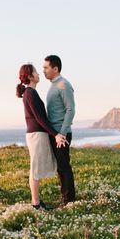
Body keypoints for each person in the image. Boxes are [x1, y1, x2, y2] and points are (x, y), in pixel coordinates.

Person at [16, 63, 68, 210]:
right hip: (36, 135)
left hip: (38, 134)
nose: (39, 74)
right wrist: (56, 134)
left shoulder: (31, 92)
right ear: (31, 76)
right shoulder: (30, 93)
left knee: (36, 168)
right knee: (35, 169)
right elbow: (40, 118)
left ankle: (36, 202)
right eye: (36, 72)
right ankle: (36, 203)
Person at [43, 55, 76, 205]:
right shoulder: (53, 85)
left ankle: (69, 200)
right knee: (60, 167)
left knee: (64, 166)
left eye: (46, 67)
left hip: (61, 134)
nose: (43, 71)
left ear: (55, 69)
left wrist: (62, 133)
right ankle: (65, 196)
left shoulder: (63, 85)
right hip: (55, 133)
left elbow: (71, 110)